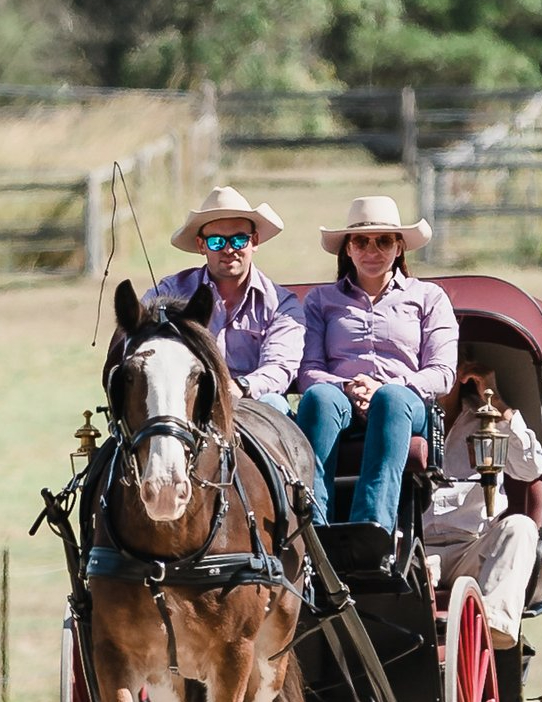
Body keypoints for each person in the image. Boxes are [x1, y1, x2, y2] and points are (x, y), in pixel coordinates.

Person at [295, 195, 458, 532]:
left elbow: (443, 373)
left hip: (405, 404)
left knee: (390, 400)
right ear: (348, 249)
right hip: (340, 400)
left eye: (384, 241)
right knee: (319, 399)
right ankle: (314, 528)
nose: (372, 250)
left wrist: (387, 387)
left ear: (399, 248)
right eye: (361, 241)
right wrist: (347, 387)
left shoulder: (428, 297)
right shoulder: (320, 301)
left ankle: (372, 529)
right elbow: (307, 371)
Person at [424, 360, 542, 649]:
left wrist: (500, 404)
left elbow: (531, 469)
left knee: (520, 527)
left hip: (472, 548)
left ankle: (494, 627)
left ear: (462, 373)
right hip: (416, 550)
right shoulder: (402, 415)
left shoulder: (487, 417)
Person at [144, 186, 303, 406]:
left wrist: (241, 387)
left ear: (254, 241)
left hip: (253, 404)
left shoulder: (281, 304)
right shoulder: (168, 292)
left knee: (273, 403)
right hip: (187, 404)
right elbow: (139, 341)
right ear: (202, 245)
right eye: (216, 242)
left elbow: (280, 366)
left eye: (239, 240)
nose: (229, 249)